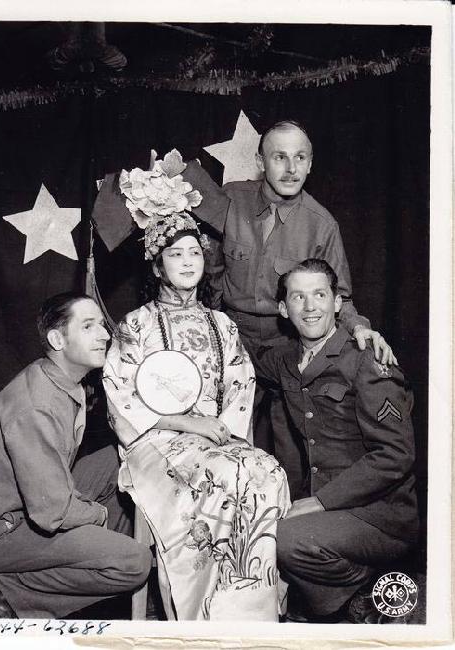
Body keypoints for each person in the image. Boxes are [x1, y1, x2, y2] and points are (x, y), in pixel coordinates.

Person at [103, 154, 291, 621]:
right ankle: (204, 615)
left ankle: (254, 609)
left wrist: (222, 431)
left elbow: (241, 385)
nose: (187, 262)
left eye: (194, 253)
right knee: (220, 477)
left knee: (267, 471)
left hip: (217, 436)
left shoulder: (222, 324)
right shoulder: (136, 325)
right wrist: (187, 424)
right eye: (175, 254)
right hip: (156, 441)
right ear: (157, 266)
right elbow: (120, 396)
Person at [183, 120, 397, 494]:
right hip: (233, 337)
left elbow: (340, 296)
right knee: (219, 440)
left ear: (310, 164)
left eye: (300, 158)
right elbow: (209, 267)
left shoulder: (321, 225)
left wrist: (360, 327)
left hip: (288, 342)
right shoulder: (230, 199)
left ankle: (292, 520)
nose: (290, 168)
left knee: (293, 449)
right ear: (260, 161)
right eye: (279, 157)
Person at [0, 292, 152, 619]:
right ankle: (2, 589)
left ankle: (98, 550)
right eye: (88, 326)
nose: (105, 335)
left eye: (102, 325)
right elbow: (51, 514)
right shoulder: (36, 407)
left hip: (29, 505)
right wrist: (97, 514)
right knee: (135, 563)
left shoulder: (60, 377)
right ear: (57, 340)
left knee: (118, 459)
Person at [249, 259, 418, 622]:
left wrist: (323, 501)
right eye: (298, 297)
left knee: (285, 539)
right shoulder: (285, 359)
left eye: (320, 295)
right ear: (283, 309)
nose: (310, 307)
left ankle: (362, 592)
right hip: (328, 513)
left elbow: (395, 454)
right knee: (259, 533)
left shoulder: (368, 360)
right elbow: (240, 351)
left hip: (378, 514)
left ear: (338, 303)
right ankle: (344, 600)